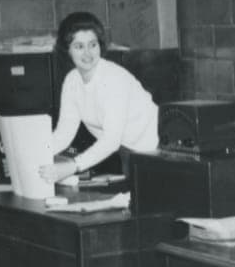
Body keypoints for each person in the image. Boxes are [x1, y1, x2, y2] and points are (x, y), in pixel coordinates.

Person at [38, 11, 159, 183]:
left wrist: (72, 166)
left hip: (155, 148)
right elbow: (64, 133)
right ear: (67, 51)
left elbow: (111, 141)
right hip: (127, 149)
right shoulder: (72, 81)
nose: (87, 53)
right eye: (79, 46)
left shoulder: (113, 79)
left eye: (92, 45)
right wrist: (35, 154)